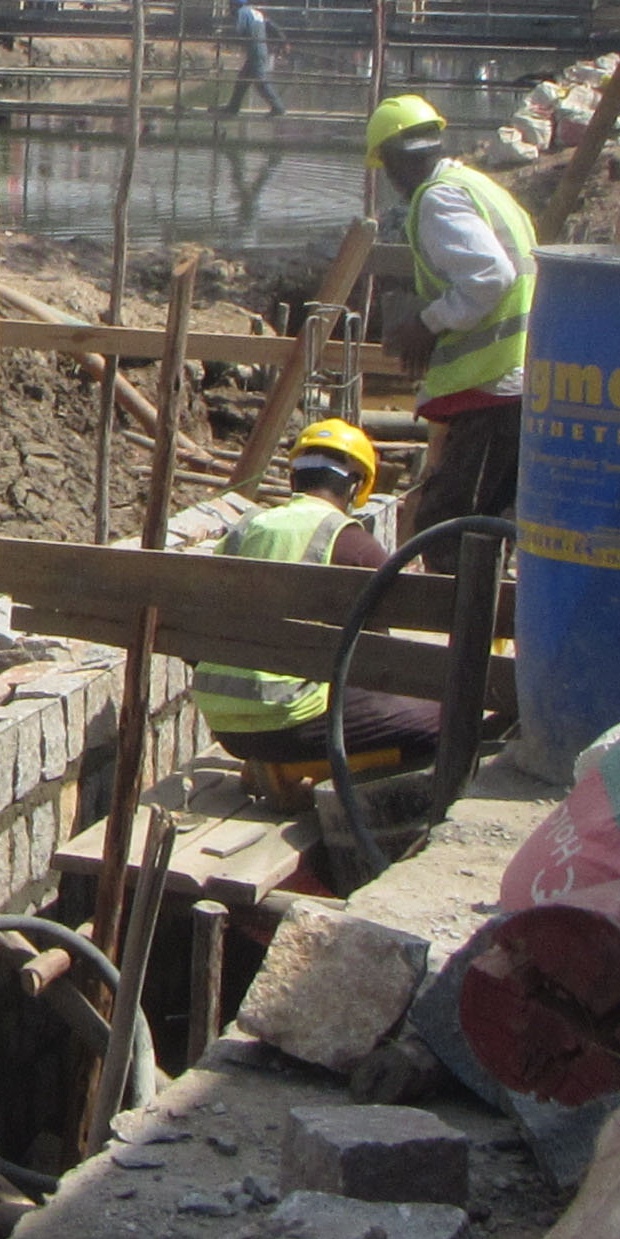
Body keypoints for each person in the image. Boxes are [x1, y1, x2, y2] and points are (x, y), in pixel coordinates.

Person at [190, 419, 440, 777]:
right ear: (355, 487)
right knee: (443, 721)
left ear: (294, 479)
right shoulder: (351, 542)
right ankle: (292, 773)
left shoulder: (243, 531)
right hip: (294, 722)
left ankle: (279, 767)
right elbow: (383, 650)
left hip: (227, 726)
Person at [368, 92, 536, 537]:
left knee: (451, 531)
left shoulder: (438, 201)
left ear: (391, 161)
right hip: (514, 379)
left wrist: (427, 323)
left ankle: (459, 607)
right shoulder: (479, 186)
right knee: (485, 527)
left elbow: (490, 276)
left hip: (491, 387)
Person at [229, 0, 282, 116]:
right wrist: (283, 40)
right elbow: (272, 26)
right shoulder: (257, 12)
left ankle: (278, 108)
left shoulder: (241, 13)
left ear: (235, 5)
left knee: (261, 82)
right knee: (242, 80)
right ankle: (233, 107)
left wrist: (227, 40)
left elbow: (239, 30)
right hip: (260, 50)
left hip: (254, 51)